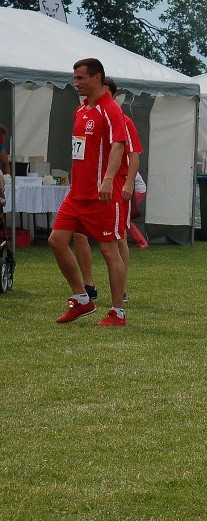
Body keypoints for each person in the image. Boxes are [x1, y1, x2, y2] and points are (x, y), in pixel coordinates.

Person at [48, 58, 129, 326]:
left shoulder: (110, 109)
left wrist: (108, 179)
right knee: (56, 240)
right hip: (76, 195)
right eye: (75, 78)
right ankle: (82, 299)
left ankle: (118, 312)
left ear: (97, 78)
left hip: (101, 195)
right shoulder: (81, 109)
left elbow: (119, 145)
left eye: (81, 78)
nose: (76, 83)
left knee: (109, 251)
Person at [73, 77, 143, 304]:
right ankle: (88, 283)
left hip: (113, 188)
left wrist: (128, 184)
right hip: (87, 188)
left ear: (109, 93)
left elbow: (133, 156)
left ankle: (119, 291)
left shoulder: (123, 120)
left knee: (116, 238)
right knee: (77, 233)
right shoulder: (85, 112)